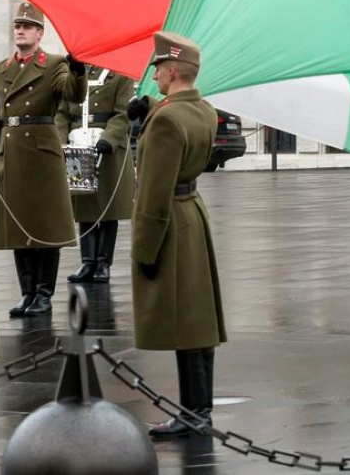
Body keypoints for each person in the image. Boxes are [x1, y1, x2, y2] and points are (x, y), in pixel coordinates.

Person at [128, 31, 226, 439]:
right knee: (198, 320)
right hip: (193, 214)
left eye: (157, 71)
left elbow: (153, 191)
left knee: (186, 322)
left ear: (170, 70)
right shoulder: (203, 110)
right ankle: (197, 408)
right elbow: (175, 114)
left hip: (170, 219)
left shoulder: (168, 120)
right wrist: (148, 107)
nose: (154, 78)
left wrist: (143, 248)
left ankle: (193, 414)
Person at [0, 2, 87, 317]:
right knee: (18, 229)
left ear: (40, 34)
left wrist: (78, 67)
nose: (20, 30)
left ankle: (43, 294)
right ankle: (26, 292)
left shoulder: (53, 64)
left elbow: (73, 93)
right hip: (12, 154)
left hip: (42, 156)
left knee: (46, 229)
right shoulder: (0, 69)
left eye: (27, 26)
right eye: (17, 25)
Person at [56, 66, 136, 283]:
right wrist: (60, 141)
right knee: (84, 205)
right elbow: (62, 113)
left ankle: (103, 263)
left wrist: (108, 140)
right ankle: (88, 262)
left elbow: (122, 114)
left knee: (108, 208)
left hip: (107, 147)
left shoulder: (120, 75)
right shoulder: (74, 75)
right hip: (77, 144)